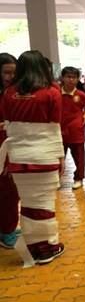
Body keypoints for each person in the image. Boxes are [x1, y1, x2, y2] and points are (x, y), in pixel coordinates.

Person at [0, 50, 65, 265]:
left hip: (18, 158)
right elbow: (54, 127)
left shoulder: (8, 93)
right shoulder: (52, 92)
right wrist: (60, 156)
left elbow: (8, 126)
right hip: (44, 157)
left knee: (28, 204)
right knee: (44, 204)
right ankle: (47, 249)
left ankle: (34, 247)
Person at [60, 66, 85, 190]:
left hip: (76, 131)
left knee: (79, 157)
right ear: (63, 78)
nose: (71, 80)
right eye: (68, 77)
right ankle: (57, 178)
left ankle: (79, 178)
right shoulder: (57, 93)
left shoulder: (81, 94)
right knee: (58, 156)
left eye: (74, 77)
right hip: (60, 130)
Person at [0, 52, 19, 249]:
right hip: (2, 150)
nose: (10, 77)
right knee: (7, 191)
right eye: (6, 72)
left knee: (10, 191)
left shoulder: (13, 92)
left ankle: (7, 227)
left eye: (14, 72)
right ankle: (7, 230)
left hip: (12, 146)